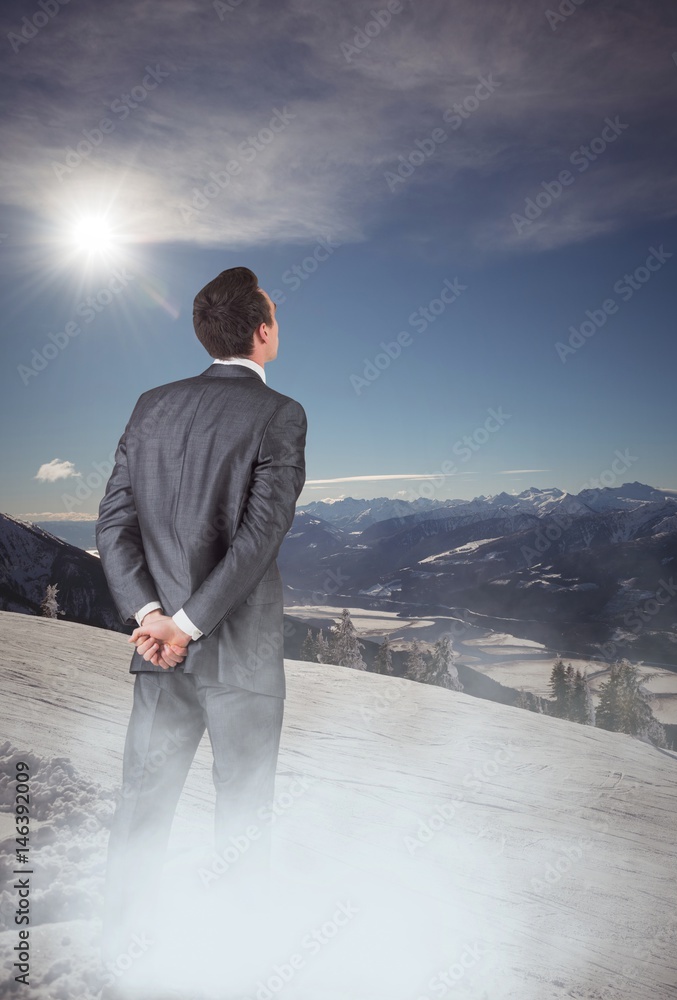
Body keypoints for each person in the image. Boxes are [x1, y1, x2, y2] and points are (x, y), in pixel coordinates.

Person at [95, 266, 307, 996]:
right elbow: (258, 538)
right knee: (243, 816)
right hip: (239, 656)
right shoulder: (280, 414)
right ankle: (240, 967)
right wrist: (187, 623)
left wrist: (151, 617)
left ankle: (113, 958)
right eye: (274, 313)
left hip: (156, 653)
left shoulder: (150, 405)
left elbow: (113, 524)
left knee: (141, 808)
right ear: (262, 329)